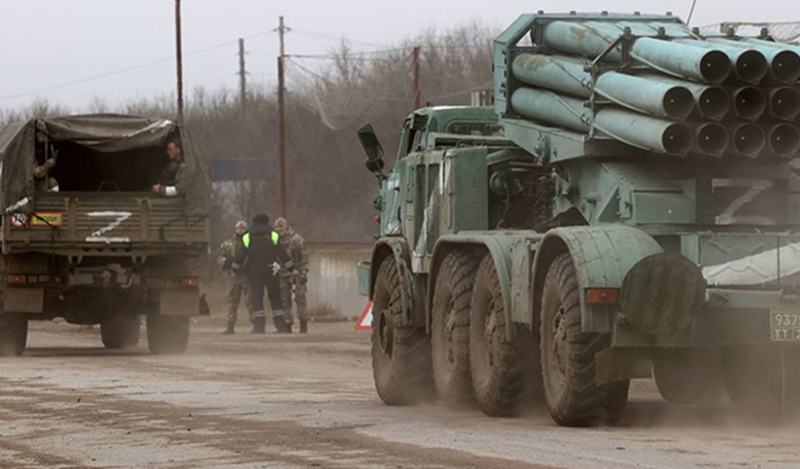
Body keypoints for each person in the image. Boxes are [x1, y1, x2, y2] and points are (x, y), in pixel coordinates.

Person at [232, 213, 296, 334]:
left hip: (254, 271)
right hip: (271, 269)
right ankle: (280, 326)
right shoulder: (272, 234)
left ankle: (259, 327)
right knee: (275, 297)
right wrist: (291, 268)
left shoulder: (248, 236)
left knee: (257, 298)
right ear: (267, 222)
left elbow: (240, 255)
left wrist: (235, 268)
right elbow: (282, 253)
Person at [274, 217, 310, 334]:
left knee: (300, 298)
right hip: (282, 273)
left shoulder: (296, 239)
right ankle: (287, 324)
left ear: (286, 227)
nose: (279, 229)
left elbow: (304, 256)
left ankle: (303, 324)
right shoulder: (275, 240)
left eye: (281, 226)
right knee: (284, 300)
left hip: (297, 272)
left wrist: (303, 272)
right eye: (277, 227)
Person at [217, 220, 252, 335]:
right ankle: (230, 326)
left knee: (250, 301)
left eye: (242, 228)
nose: (240, 230)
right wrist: (226, 262)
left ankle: (255, 324)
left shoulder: (250, 242)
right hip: (233, 277)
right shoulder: (228, 243)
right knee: (232, 302)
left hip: (247, 276)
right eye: (238, 228)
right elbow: (219, 256)